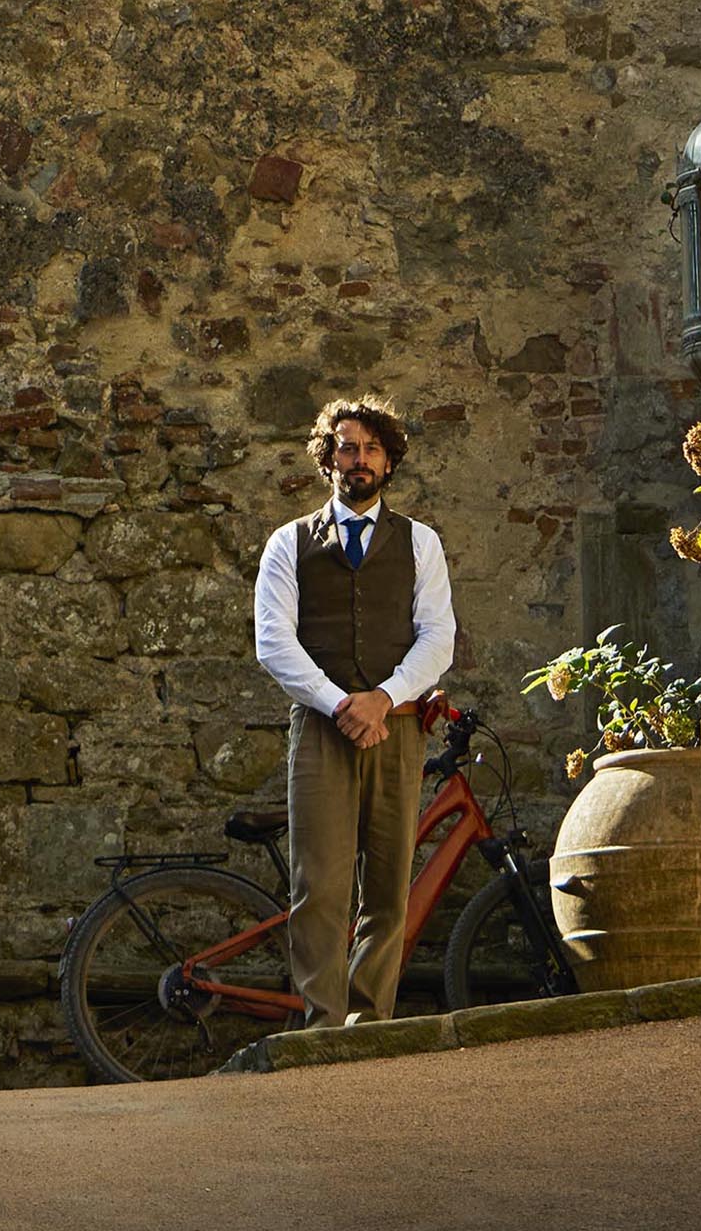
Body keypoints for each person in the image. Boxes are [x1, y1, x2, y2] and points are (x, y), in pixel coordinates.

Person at [250, 396, 457, 1026]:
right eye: (346, 447)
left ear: (388, 461)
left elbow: (438, 637)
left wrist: (384, 698)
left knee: (389, 887)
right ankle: (323, 1027)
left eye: (370, 449)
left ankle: (369, 1027)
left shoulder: (421, 543)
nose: (358, 459)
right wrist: (342, 702)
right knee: (319, 889)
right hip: (321, 731)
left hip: (395, 731)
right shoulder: (288, 544)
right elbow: (273, 642)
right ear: (328, 458)